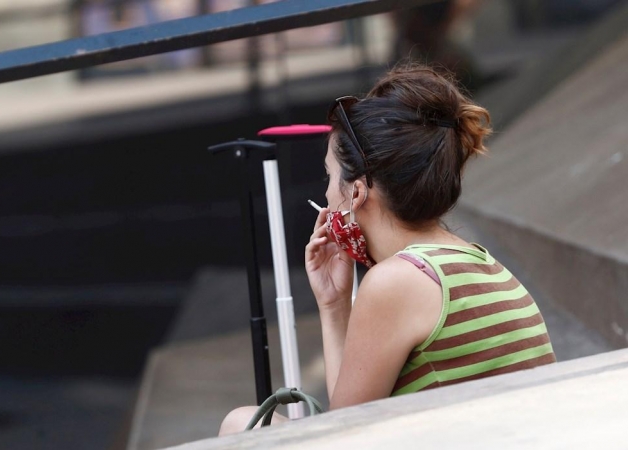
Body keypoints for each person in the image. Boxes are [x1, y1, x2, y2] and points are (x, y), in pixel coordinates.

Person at [219, 64, 556, 435]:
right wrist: (334, 304)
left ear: (358, 192)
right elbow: (354, 411)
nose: (328, 195)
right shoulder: (474, 260)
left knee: (241, 424)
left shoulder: (396, 281)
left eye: (330, 177)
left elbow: (345, 430)